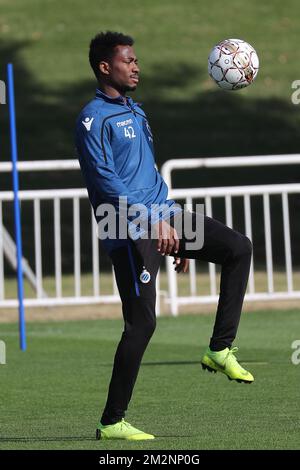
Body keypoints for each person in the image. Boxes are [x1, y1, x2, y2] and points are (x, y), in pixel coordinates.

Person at [75, 31, 254, 441]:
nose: (136, 66)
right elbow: (106, 184)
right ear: (105, 67)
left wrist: (174, 229)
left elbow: (146, 174)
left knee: (237, 248)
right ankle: (112, 421)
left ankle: (219, 349)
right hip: (127, 226)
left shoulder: (136, 111)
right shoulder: (91, 119)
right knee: (142, 325)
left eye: (136, 60)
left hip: (165, 217)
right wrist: (153, 224)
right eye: (128, 60)